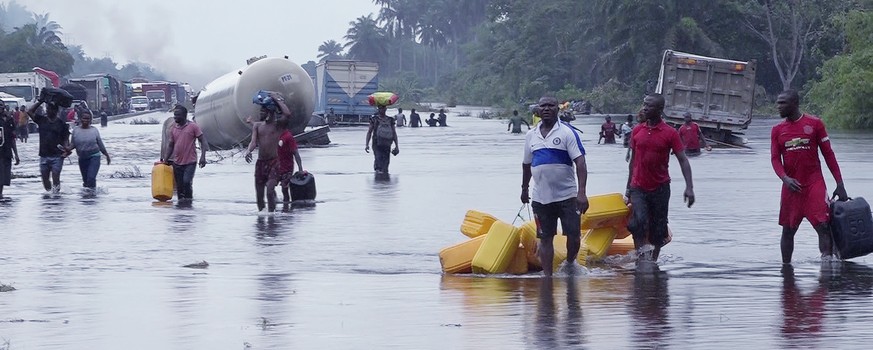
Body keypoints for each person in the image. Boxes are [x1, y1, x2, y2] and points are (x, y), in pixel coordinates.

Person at [771, 89, 847, 264]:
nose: (778, 107)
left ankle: (827, 267)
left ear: (795, 104)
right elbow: (775, 159)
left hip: (814, 185)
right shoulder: (777, 130)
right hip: (791, 187)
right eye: (778, 103)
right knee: (788, 231)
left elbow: (829, 154)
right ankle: (786, 270)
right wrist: (785, 178)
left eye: (783, 103)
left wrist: (840, 183)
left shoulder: (815, 124)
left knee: (823, 227)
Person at [521, 96, 589, 277]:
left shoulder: (567, 133)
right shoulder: (531, 135)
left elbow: (580, 163)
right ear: (538, 109)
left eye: (551, 106)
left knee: (573, 236)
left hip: (568, 196)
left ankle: (570, 263)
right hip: (540, 197)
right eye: (543, 106)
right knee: (545, 238)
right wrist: (524, 189)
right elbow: (526, 165)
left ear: (557, 109)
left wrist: (582, 193)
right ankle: (548, 277)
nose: (546, 109)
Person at [626, 93, 695, 263]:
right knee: (638, 222)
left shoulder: (670, 133)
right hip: (638, 186)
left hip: (660, 187)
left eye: (649, 105)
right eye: (644, 104)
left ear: (660, 110)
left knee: (658, 228)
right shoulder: (637, 130)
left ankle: (653, 261)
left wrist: (689, 187)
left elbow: (683, 160)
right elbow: (633, 161)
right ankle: (640, 257)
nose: (644, 108)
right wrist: (628, 188)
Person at [244, 92, 293, 212]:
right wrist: (249, 151)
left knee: (270, 189)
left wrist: (277, 100)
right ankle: (262, 217)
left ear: (270, 112)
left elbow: (287, 113)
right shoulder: (257, 126)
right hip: (260, 163)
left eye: (263, 111)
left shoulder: (278, 126)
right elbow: (253, 142)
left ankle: (272, 216)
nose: (260, 113)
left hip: (274, 163)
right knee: (259, 195)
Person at [27, 91, 71, 193]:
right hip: (44, 155)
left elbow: (65, 139)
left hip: (57, 156)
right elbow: (29, 112)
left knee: (56, 176)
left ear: (56, 111)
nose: (48, 111)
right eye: (47, 109)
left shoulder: (62, 124)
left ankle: (56, 196)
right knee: (45, 180)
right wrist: (40, 101)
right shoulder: (42, 120)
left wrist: (66, 149)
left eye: (50, 109)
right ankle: (49, 194)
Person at [162, 105, 208, 201]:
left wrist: (203, 157)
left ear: (184, 115)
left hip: (190, 162)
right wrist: (165, 160)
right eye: (174, 115)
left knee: (187, 182)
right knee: (179, 187)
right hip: (177, 162)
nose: (175, 117)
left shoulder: (193, 127)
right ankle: (182, 209)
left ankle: (189, 203)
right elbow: (171, 145)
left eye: (178, 115)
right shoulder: (173, 128)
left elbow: (203, 141)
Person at [68, 111, 110, 191]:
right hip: (82, 158)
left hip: (94, 157)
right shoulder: (76, 131)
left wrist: (106, 155)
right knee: (85, 180)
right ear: (80, 119)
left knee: (91, 178)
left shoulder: (94, 130)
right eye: (84, 118)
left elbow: (100, 144)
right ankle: (87, 197)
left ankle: (92, 197)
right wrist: (66, 150)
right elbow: (73, 144)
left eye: (88, 119)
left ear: (90, 120)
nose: (86, 120)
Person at [277, 116, 304, 205]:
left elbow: (296, 153)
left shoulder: (289, 137)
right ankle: (274, 204)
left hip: (287, 168)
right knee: (269, 185)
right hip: (276, 167)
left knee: (284, 189)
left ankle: (286, 209)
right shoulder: (277, 136)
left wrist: (300, 169)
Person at [364, 104, 399, 174]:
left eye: (383, 108)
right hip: (380, 143)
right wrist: (367, 144)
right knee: (380, 161)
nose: (382, 110)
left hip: (385, 143)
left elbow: (394, 133)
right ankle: (382, 180)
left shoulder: (387, 120)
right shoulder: (386, 120)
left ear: (385, 109)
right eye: (381, 108)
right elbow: (369, 132)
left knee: (384, 163)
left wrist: (397, 146)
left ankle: (380, 179)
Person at [0, 101, 21, 199]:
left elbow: (12, 138)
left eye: (1, 106)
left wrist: (16, 154)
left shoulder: (9, 120)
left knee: (4, 177)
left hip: (6, 151)